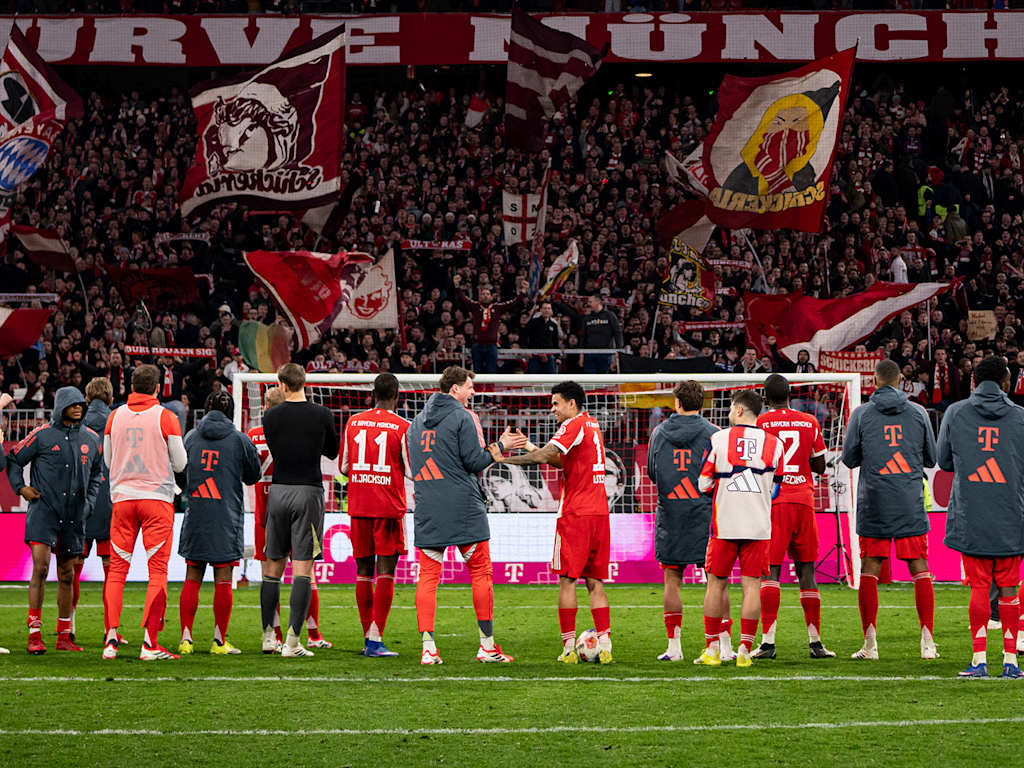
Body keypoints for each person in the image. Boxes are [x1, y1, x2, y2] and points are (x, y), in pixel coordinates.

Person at [489, 380, 614, 664]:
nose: (553, 409)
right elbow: (564, 462)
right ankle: (605, 647)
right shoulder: (591, 425)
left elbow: (546, 455)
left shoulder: (571, 425)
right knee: (595, 582)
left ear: (572, 403)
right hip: (599, 513)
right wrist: (531, 444)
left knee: (568, 581)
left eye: (556, 403)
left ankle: (569, 649)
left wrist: (505, 460)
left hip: (576, 514)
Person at [407, 365, 522, 665]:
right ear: (455, 388)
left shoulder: (415, 423)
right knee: (481, 571)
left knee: (428, 575)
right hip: (462, 506)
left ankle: (428, 649)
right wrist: (502, 446)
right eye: (470, 386)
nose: (473, 392)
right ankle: (487, 645)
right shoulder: (463, 417)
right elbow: (475, 462)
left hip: (428, 506)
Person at [843, 358, 939, 661]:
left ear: (874, 380)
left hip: (874, 501)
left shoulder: (861, 414)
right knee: (919, 567)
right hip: (908, 500)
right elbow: (931, 458)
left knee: (870, 569)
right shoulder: (918, 412)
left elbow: (848, 458)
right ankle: (928, 643)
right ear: (900, 380)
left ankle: (870, 645)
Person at [936, 356, 1024, 678]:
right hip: (1011, 514)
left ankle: (978, 660)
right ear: (1005, 382)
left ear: (973, 381)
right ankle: (1011, 661)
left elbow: (943, 461)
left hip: (971, 513)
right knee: (1010, 590)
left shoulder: (956, 413)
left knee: (978, 586)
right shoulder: (1021, 418)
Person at [7, 386, 102, 654]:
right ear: (60, 405)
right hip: (44, 511)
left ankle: (63, 636)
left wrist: (91, 501)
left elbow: (97, 473)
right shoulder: (42, 435)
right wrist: (21, 488)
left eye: (80, 404)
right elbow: (14, 458)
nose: (77, 408)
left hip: (75, 516)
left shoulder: (92, 439)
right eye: (71, 404)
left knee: (67, 574)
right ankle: (34, 634)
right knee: (40, 568)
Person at [102, 364, 188, 661]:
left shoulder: (115, 416)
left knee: (116, 571)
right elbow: (180, 464)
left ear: (131, 384)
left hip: (123, 499)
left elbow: (108, 459)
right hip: (156, 500)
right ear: (159, 387)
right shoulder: (167, 417)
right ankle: (150, 644)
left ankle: (111, 639)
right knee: (157, 572)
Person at [696, 390, 782, 668]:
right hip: (758, 525)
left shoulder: (718, 439)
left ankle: (712, 649)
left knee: (716, 583)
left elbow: (703, 484)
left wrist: (726, 492)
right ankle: (745, 651)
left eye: (732, 408)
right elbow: (776, 488)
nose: (729, 413)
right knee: (752, 586)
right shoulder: (775, 443)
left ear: (740, 410)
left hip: (725, 525)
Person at [752, 374, 835, 660]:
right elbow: (821, 466)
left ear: (765, 397)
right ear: (790, 394)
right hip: (804, 501)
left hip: (775, 502)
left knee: (770, 572)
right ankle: (815, 643)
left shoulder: (760, 423)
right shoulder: (809, 421)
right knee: (806, 572)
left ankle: (767, 643)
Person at [260, 363, 339, 658]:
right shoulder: (321, 414)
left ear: (282, 384)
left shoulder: (271, 416)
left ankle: (269, 636)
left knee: (272, 567)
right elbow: (332, 451)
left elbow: (276, 446)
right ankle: (292, 642)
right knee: (303, 567)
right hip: (308, 491)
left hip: (278, 491)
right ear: (304, 382)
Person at [177, 390, 260, 656]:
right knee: (223, 579)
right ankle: (219, 640)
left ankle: (186, 639)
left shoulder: (191, 437)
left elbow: (179, 474)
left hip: (197, 514)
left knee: (193, 576)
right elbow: (253, 477)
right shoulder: (239, 439)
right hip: (226, 516)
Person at [645, 380, 719, 662]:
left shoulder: (659, 432)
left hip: (671, 512)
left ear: (676, 402)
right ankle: (719, 644)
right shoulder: (714, 433)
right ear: (701, 403)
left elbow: (653, 471)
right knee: (716, 581)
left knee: (672, 580)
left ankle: (674, 648)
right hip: (705, 513)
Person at [340, 372, 410, 657]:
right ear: (396, 397)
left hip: (359, 505)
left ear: (372, 394)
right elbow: (411, 469)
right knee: (386, 572)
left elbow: (344, 467)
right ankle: (375, 638)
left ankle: (367, 635)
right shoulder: (403, 425)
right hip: (388, 507)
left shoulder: (353, 421)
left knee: (363, 572)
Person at [74, 377, 115, 644]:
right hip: (111, 502)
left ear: (87, 399)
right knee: (112, 569)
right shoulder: (119, 421)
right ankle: (110, 630)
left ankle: (68, 624)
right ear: (110, 398)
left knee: (72, 568)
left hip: (79, 503)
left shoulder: (76, 425)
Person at [455, 281, 525, 374]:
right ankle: (478, 389)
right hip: (477, 344)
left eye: (487, 294)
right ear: (479, 297)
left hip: (492, 345)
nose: (485, 296)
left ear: (491, 297)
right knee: (477, 371)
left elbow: (513, 303)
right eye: (483, 294)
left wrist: (523, 292)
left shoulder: (497, 307)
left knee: (491, 371)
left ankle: (490, 389)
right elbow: (464, 299)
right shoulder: (475, 306)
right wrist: (457, 286)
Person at [580, 295, 622, 374]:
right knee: (590, 380)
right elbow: (583, 337)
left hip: (606, 354)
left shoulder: (610, 315)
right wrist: (581, 355)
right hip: (589, 354)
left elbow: (617, 333)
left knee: (603, 381)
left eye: (590, 302)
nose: (588, 304)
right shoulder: (587, 318)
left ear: (598, 302)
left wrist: (618, 352)